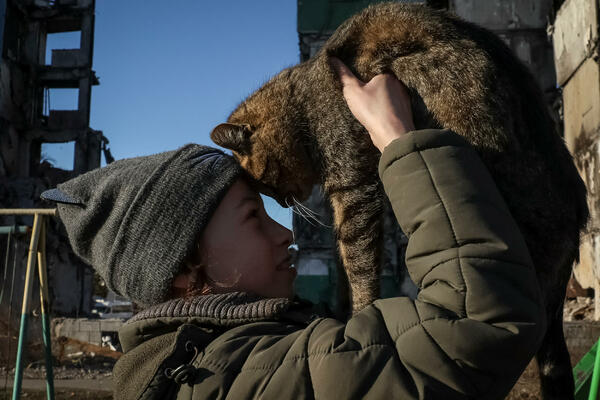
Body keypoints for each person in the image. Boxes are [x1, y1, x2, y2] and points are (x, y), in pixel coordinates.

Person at [41, 58, 546, 399]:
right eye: (253, 217)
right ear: (181, 266)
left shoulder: (209, 357)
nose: (286, 233)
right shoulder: (238, 374)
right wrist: (400, 140)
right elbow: (475, 328)